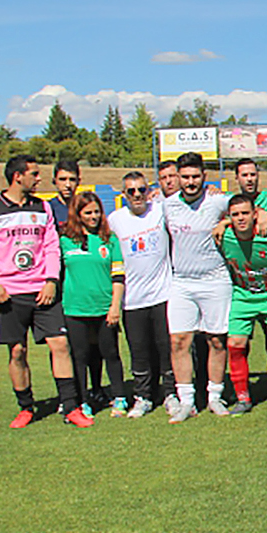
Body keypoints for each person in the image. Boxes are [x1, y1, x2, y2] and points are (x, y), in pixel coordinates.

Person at [0, 155, 89, 428]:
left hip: (43, 290)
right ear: (17, 176)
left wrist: (50, 280)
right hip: (9, 294)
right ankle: (26, 407)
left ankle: (71, 407)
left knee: (60, 344)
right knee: (17, 351)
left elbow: (51, 248)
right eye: (34, 173)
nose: (39, 178)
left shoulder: (41, 206)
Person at [164, 153, 237, 422]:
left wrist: (226, 221)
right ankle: (187, 401)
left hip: (215, 280)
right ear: (178, 178)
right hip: (181, 282)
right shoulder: (167, 205)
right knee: (179, 341)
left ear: (204, 177)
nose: (191, 181)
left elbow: (248, 210)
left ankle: (215, 397)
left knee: (216, 340)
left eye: (196, 176)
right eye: (185, 177)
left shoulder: (218, 200)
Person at [107, 172, 175, 418]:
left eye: (141, 190)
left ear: (149, 191)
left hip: (163, 295)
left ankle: (170, 394)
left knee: (166, 348)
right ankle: (143, 396)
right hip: (132, 300)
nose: (137, 195)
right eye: (131, 191)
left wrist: (214, 191)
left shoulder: (161, 209)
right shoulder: (115, 220)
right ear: (123, 194)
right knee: (139, 352)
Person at [215, 194, 267, 416]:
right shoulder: (223, 236)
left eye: (245, 213)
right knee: (235, 343)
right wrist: (222, 224)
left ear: (254, 214)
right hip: (243, 295)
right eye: (235, 215)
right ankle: (243, 398)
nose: (240, 218)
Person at [60, 192, 127, 416]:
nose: (93, 216)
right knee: (80, 356)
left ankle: (119, 398)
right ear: (77, 215)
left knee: (110, 353)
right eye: (88, 212)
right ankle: (83, 401)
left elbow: (118, 276)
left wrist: (115, 306)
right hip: (74, 309)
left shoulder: (110, 239)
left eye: (97, 212)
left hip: (104, 308)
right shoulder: (64, 239)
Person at [50, 160, 80, 224]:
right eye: (62, 179)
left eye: (72, 180)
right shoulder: (48, 208)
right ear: (54, 181)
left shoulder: (84, 208)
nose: (68, 185)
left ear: (78, 182)